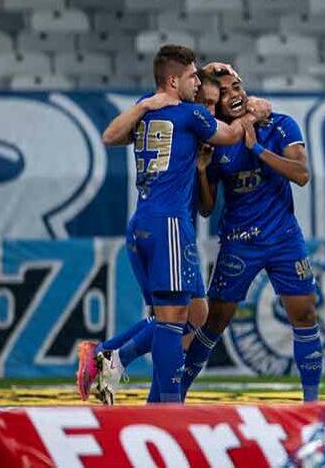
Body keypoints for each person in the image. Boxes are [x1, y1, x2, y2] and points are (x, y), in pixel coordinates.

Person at [82, 45, 260, 404]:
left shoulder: (148, 109)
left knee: (195, 314)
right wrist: (253, 114)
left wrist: (145, 105)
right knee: (171, 320)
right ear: (175, 79)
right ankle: (165, 408)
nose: (197, 83)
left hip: (148, 221)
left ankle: (111, 357)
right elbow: (229, 135)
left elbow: (110, 136)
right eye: (193, 77)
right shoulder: (188, 114)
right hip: (168, 225)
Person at [182, 65, 323, 403]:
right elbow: (205, 208)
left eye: (238, 87)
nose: (235, 95)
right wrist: (202, 172)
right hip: (239, 242)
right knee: (215, 321)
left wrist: (257, 149)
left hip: (284, 238)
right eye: (225, 92)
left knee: (305, 314)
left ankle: (312, 403)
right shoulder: (217, 138)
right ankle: (177, 393)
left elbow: (301, 174)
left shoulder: (280, 124)